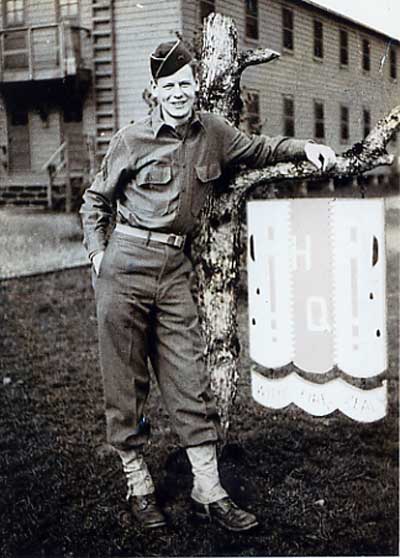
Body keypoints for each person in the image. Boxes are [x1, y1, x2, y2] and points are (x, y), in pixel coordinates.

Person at [80, 39, 336, 532]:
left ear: (196, 86)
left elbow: (260, 149)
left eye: (185, 84)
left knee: (190, 378)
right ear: (155, 91)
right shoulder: (131, 140)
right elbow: (95, 200)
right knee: (124, 382)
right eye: (169, 86)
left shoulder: (213, 132)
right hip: (125, 265)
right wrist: (97, 254)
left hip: (174, 269)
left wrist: (305, 147)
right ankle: (138, 484)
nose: (178, 93)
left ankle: (208, 488)